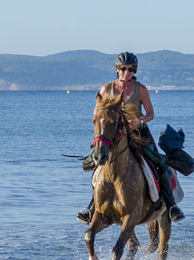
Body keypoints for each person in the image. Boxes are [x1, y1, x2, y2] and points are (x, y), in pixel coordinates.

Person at [77, 52, 184, 224]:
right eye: (123, 69)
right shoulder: (106, 89)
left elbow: (150, 114)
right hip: (114, 134)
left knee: (159, 163)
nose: (127, 72)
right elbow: (97, 114)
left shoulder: (140, 89)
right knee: (98, 165)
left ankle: (171, 206)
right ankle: (91, 208)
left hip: (139, 132)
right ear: (117, 69)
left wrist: (139, 121)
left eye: (131, 69)